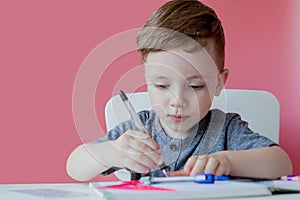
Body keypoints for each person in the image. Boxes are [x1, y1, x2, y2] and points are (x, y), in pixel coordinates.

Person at [66, 0, 292, 181]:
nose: (178, 101)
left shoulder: (226, 130)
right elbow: (74, 167)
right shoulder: (140, 129)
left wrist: (228, 162)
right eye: (162, 86)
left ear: (219, 83)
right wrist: (112, 152)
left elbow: (282, 163)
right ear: (147, 80)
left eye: (195, 86)